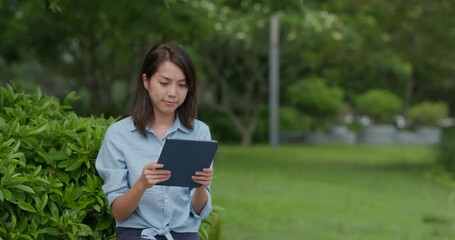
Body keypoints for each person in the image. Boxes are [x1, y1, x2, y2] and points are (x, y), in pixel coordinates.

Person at [95, 43, 214, 240]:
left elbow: (199, 210)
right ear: (146, 81)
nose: (173, 93)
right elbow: (119, 212)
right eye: (164, 83)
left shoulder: (199, 132)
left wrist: (201, 185)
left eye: (182, 85)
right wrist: (141, 184)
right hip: (136, 235)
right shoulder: (119, 134)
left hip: (183, 235)